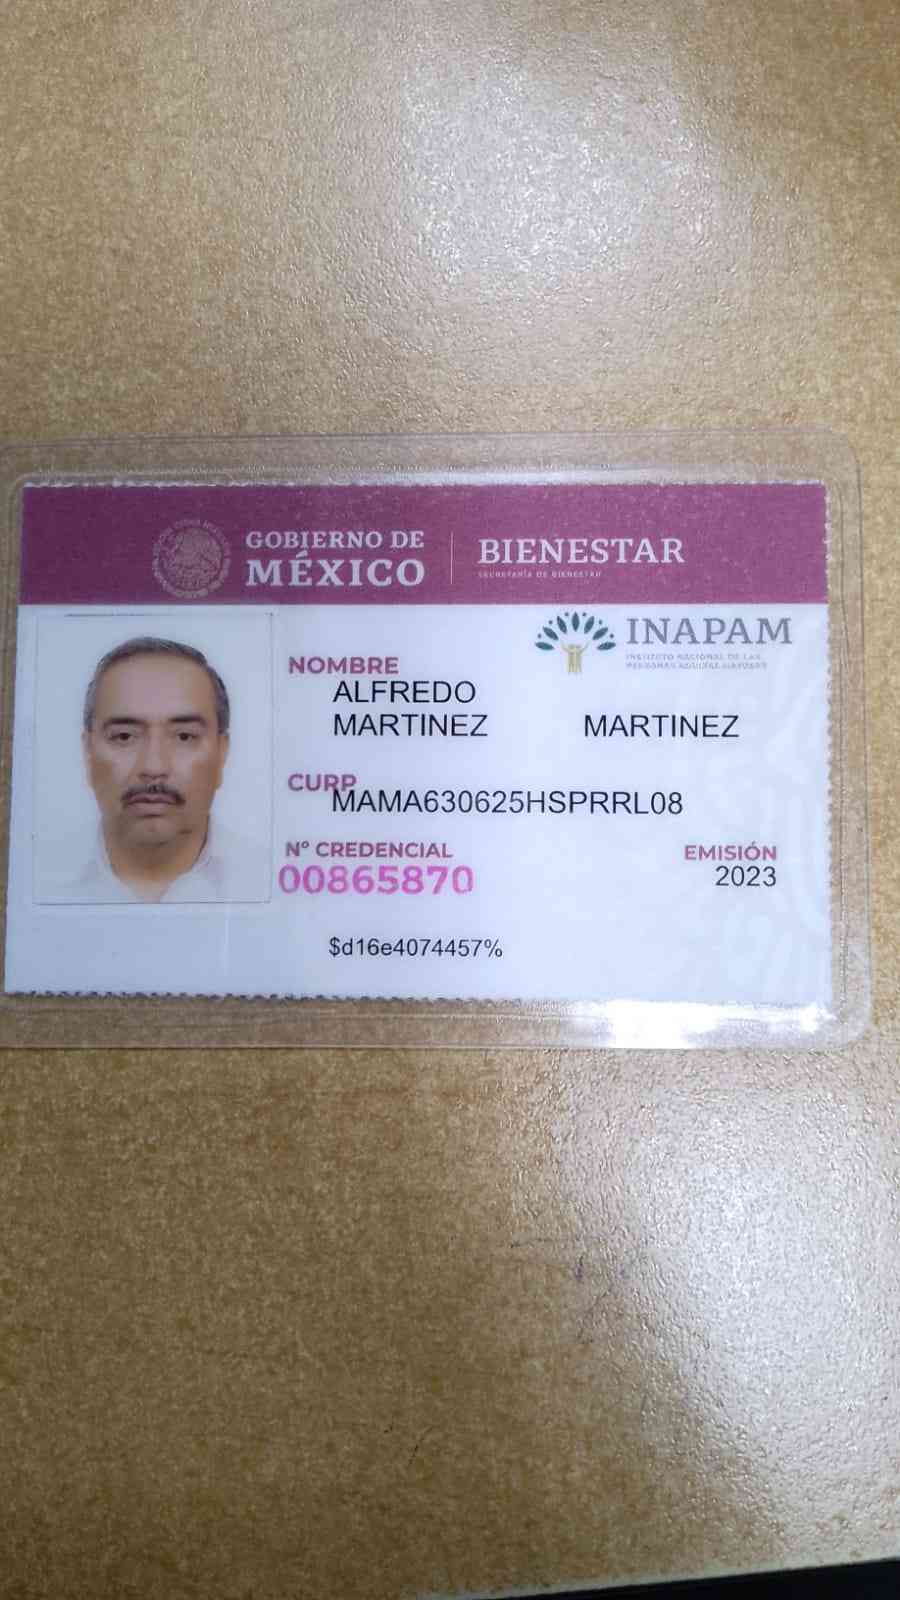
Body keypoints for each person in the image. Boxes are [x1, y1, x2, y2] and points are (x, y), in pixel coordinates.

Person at [60, 636, 268, 903]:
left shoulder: (269, 880)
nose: (153, 767)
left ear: (222, 753)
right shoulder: (35, 877)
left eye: (184, 736)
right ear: (88, 753)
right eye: (124, 736)